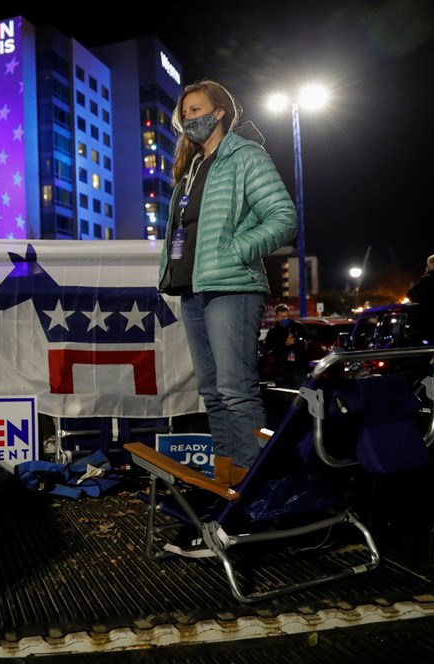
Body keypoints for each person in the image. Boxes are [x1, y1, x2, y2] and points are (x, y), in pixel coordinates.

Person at [157, 80, 297, 487]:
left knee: (236, 390)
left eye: (196, 110)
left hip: (232, 289)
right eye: (184, 114)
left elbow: (283, 218)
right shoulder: (191, 169)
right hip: (193, 290)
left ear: (220, 112)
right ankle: (227, 479)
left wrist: (234, 251)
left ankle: (256, 486)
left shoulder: (245, 157)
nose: (188, 119)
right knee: (213, 394)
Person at [263, 304, 310, 388]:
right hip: (282, 372)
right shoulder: (273, 333)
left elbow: (307, 343)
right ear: (277, 317)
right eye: (282, 317)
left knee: (301, 396)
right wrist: (285, 344)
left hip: (298, 370)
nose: (286, 319)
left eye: (287, 317)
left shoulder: (299, 328)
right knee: (285, 397)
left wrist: (305, 345)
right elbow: (270, 351)